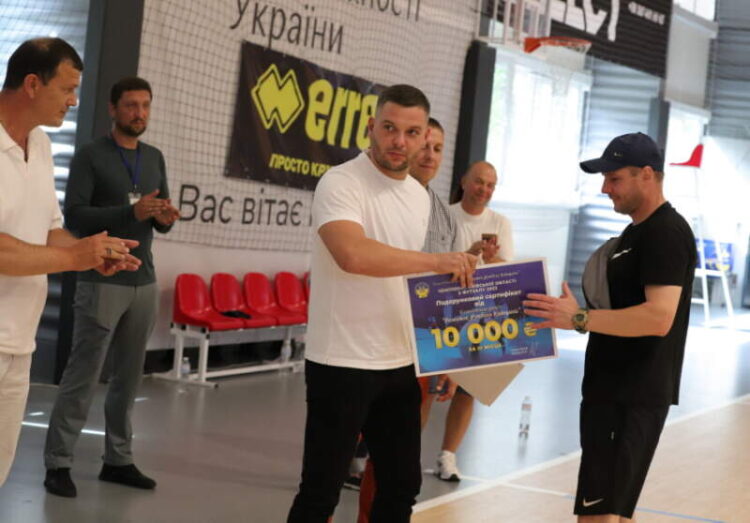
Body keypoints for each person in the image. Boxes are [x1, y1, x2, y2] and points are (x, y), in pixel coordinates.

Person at [286, 85, 476, 523]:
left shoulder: (418, 197)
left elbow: (422, 285)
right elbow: (352, 255)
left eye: (411, 132)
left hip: (400, 362)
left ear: (425, 136)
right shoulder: (341, 182)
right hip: (341, 361)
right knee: (320, 492)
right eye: (389, 128)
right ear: (372, 126)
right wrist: (437, 261)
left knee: (401, 487)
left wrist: (447, 353)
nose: (399, 141)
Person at [524, 132, 696, 522]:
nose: (605, 188)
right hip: (613, 391)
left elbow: (658, 317)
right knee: (611, 512)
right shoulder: (637, 232)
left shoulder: (665, 233)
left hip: (631, 395)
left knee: (599, 515)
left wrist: (579, 318)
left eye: (614, 178)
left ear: (647, 175)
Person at [0, 38, 141, 487]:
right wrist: (70, 256)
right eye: (67, 89)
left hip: (18, 342)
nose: (74, 100)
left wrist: (93, 254)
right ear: (31, 84)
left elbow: (48, 230)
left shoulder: (41, 144)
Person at [43, 77, 179, 498]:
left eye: (145, 105)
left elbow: (156, 214)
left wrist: (163, 218)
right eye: (131, 105)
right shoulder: (90, 155)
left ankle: (118, 459)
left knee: (129, 378)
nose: (140, 113)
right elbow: (75, 217)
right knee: (83, 374)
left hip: (143, 279)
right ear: (113, 108)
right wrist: (129, 212)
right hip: (100, 279)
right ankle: (58, 462)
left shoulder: (154, 157)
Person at [432, 160, 514, 482]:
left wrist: (492, 259)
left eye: (491, 185)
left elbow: (507, 272)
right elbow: (435, 266)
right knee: (426, 389)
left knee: (468, 389)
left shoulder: (501, 223)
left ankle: (448, 456)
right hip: (442, 312)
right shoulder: (444, 216)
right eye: (479, 182)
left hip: (480, 314)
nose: (484, 189)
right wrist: (469, 252)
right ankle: (396, 455)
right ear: (464, 181)